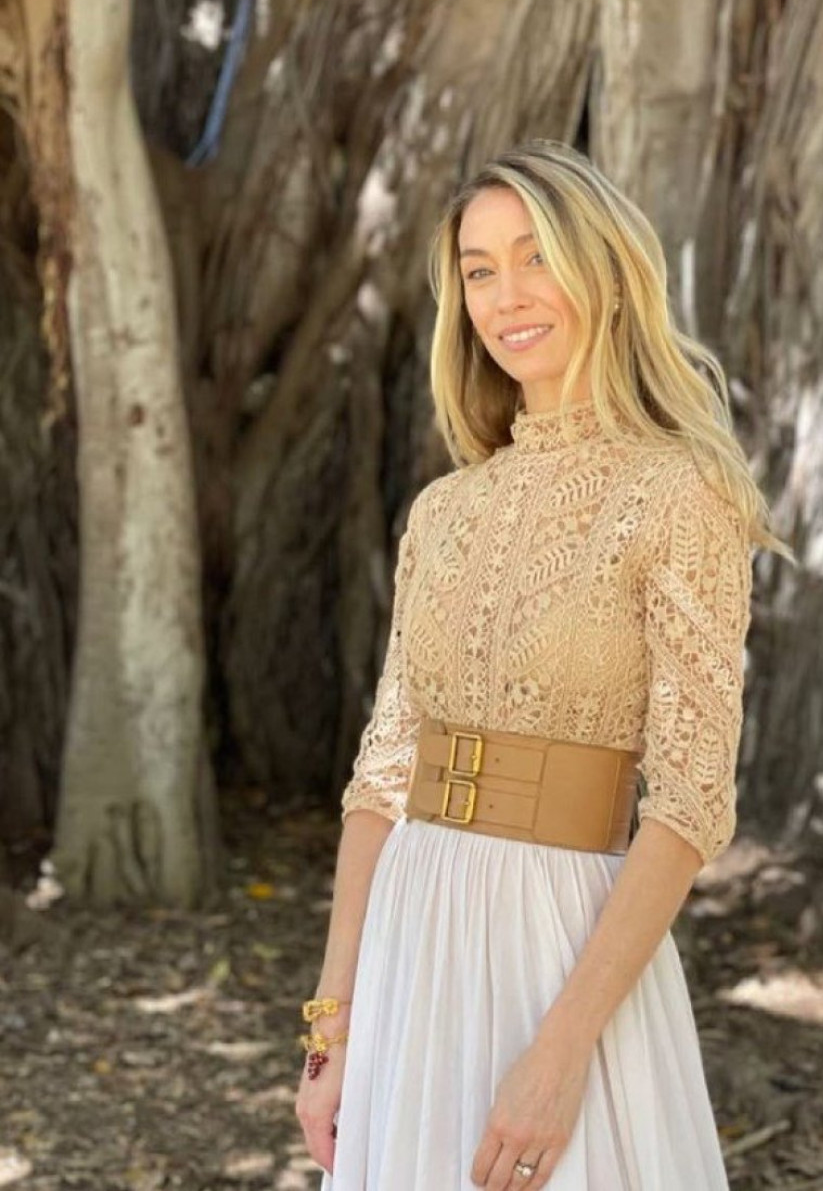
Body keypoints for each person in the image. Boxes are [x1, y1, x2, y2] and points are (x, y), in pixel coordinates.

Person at [295, 139, 786, 1190]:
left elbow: (690, 802)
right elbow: (381, 779)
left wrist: (561, 1054)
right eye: (478, 270)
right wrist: (331, 1029)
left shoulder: (679, 493)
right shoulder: (443, 512)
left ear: (603, 269)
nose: (506, 295)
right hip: (412, 940)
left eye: (535, 256)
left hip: (565, 951)